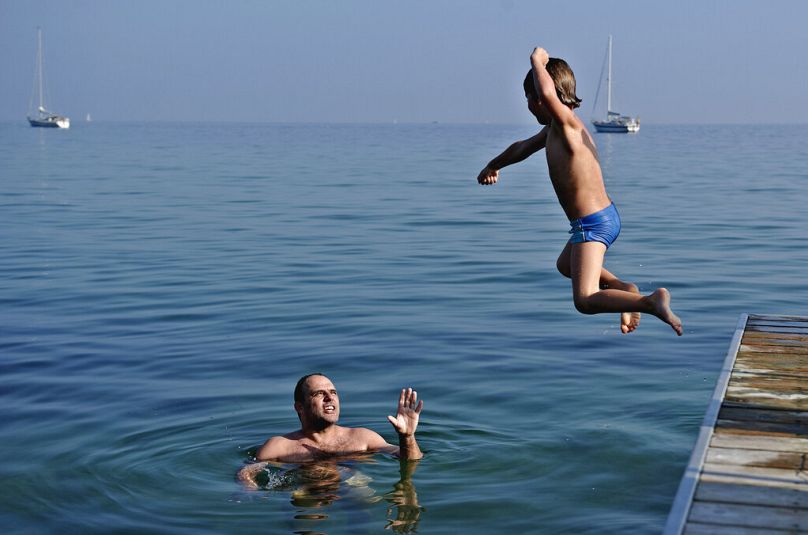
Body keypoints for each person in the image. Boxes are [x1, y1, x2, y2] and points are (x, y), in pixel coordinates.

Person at [477, 47, 682, 336]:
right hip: (598, 218)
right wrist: (493, 165)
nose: (528, 106)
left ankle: (650, 302)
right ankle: (623, 289)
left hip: (593, 223)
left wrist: (537, 61)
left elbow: (548, 95)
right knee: (565, 264)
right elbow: (521, 148)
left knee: (584, 300)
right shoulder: (556, 130)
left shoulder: (568, 125)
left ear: (541, 97)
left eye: (528, 99)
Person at [238, 373, 423, 488]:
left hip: (352, 485)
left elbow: (411, 460)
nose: (329, 398)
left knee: (366, 509)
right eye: (319, 393)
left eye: (333, 392)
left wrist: (407, 437)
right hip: (303, 493)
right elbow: (246, 473)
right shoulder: (279, 446)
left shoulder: (363, 437)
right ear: (300, 408)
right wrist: (249, 490)